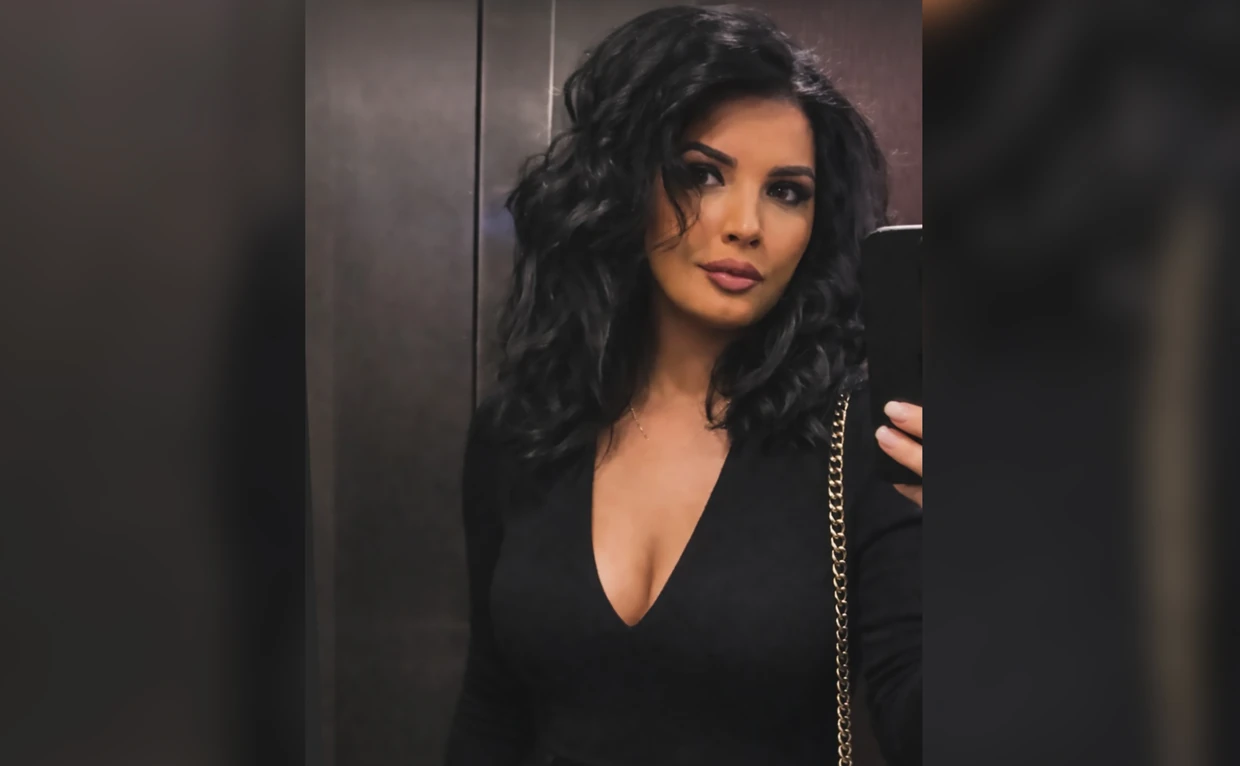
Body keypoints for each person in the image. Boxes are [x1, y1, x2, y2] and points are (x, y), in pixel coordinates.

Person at [446, 6, 922, 765]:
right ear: (624, 182)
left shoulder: (864, 438)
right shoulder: (523, 428)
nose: (745, 225)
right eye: (703, 174)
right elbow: (493, 708)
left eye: (787, 191)